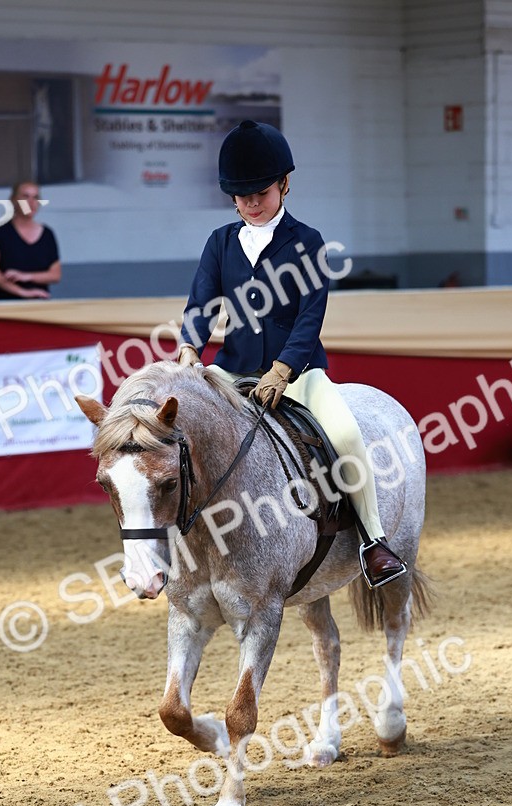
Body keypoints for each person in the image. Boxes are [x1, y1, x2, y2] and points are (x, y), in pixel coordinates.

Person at [177, 119, 406, 590]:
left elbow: (310, 315)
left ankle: (373, 540)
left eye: (259, 193)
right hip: (233, 369)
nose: (250, 204)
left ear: (284, 184)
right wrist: (188, 347)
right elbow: (202, 303)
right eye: (241, 197)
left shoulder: (307, 242)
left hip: (298, 371)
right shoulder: (220, 242)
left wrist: (284, 368)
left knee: (344, 434)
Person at [0, 180, 62, 300]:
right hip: (2, 306)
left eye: (35, 197)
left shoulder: (47, 234)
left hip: (38, 307)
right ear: (13, 200)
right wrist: (23, 292)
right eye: (25, 196)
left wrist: (27, 276)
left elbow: (55, 275)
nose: (31, 202)